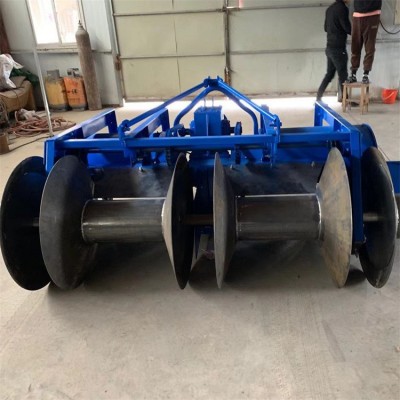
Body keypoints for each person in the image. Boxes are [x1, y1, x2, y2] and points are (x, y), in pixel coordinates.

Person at [317, 0, 351, 101]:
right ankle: (345, 100)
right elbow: (347, 27)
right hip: (339, 48)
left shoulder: (329, 9)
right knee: (343, 75)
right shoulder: (342, 8)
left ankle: (318, 97)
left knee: (329, 74)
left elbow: (325, 28)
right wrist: (358, 33)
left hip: (329, 48)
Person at [347, 0, 382, 84]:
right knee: (355, 46)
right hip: (358, 15)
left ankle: (365, 74)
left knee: (369, 47)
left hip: (372, 15)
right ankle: (353, 74)